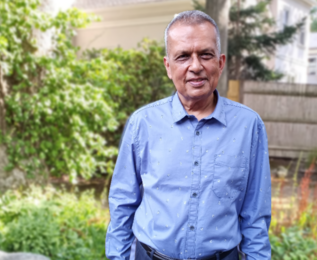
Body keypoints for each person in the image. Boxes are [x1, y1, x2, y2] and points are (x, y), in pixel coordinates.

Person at [105, 10, 271, 260]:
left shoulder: (249, 126)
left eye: (205, 54)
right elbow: (122, 202)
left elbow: (255, 214)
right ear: (168, 67)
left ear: (220, 62)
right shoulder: (143, 123)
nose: (196, 66)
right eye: (183, 56)